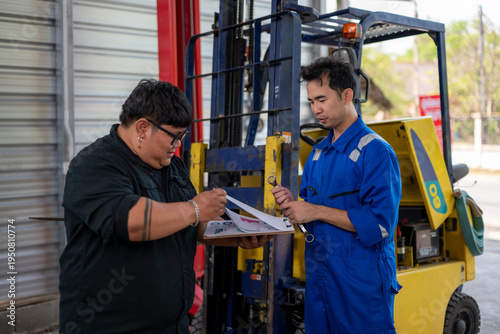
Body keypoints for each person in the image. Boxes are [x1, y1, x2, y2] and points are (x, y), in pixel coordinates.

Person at [59, 78, 272, 334]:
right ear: (142, 127)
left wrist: (237, 234)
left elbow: (192, 224)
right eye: (174, 136)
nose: (178, 144)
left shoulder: (171, 166)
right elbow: (131, 221)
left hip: (171, 325)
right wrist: (194, 208)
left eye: (182, 136)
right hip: (111, 325)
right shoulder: (95, 165)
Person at [271, 58, 402, 333]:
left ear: (346, 95)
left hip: (360, 285)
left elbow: (379, 225)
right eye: (310, 102)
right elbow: (308, 215)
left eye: (321, 99)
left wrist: (314, 211)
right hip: (321, 279)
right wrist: (294, 206)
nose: (316, 110)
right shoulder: (318, 153)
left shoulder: (376, 152)